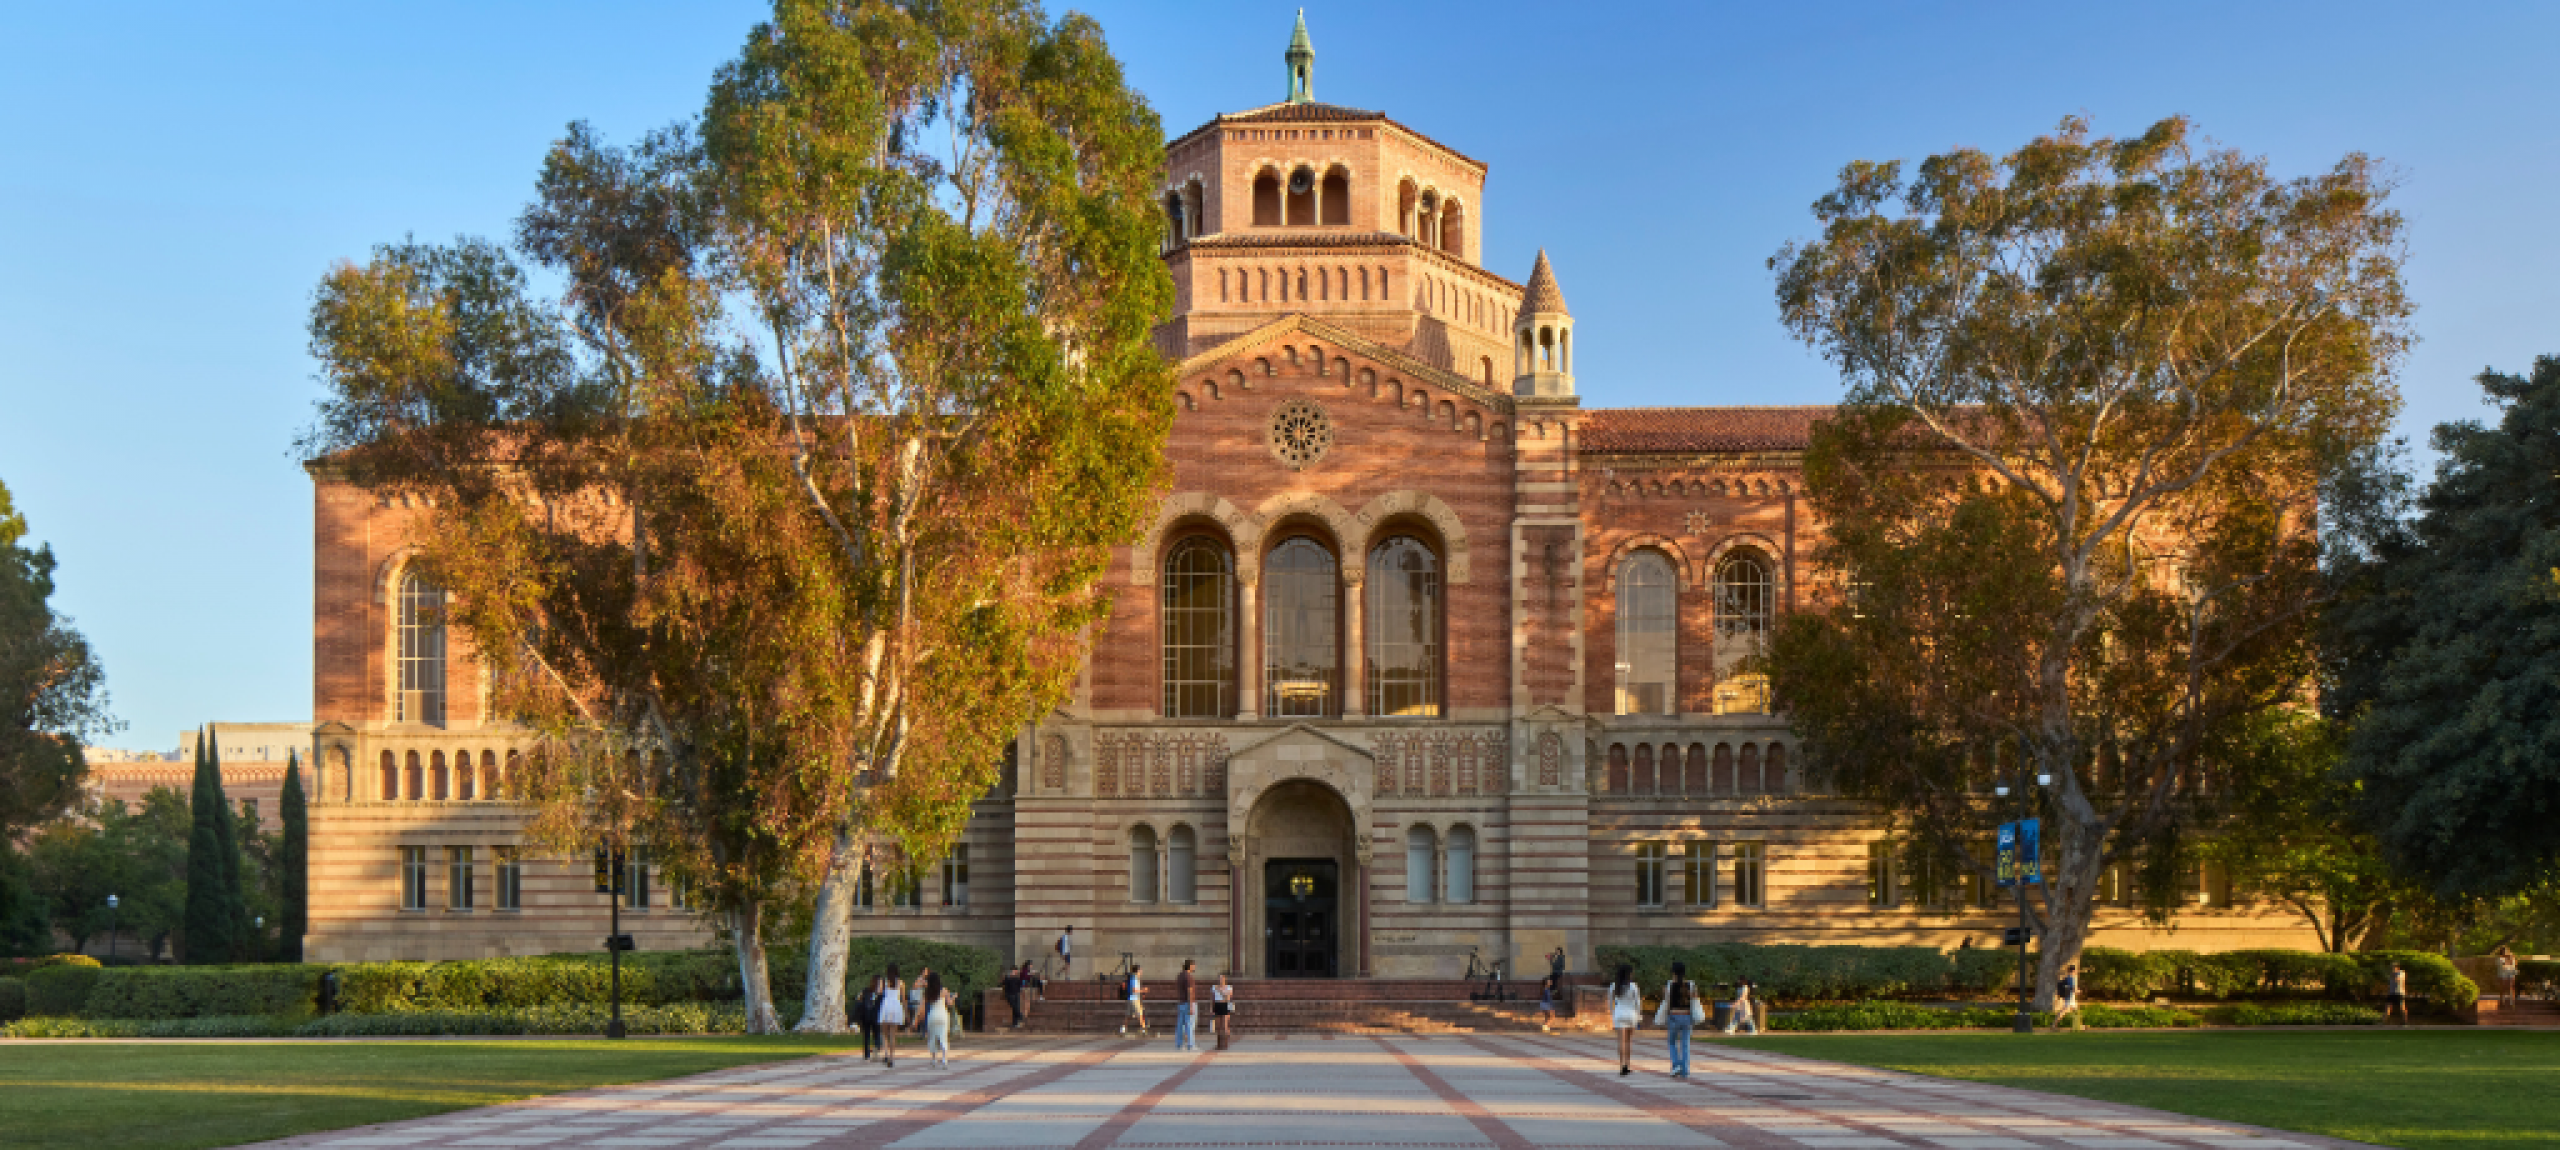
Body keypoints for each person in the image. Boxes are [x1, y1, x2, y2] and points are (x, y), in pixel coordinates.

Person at [1659, 961, 1701, 1079]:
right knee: (1685, 1044)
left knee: (1672, 1042)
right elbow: (1696, 999)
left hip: (1673, 1016)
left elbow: (1666, 1001)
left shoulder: (1669, 985)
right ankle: (1685, 1070)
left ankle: (1676, 1064)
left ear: (1673, 972)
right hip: (1687, 1017)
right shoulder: (1691, 985)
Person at [1607, 962, 1643, 1076]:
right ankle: (1627, 1064)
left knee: (1621, 1041)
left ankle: (1622, 1065)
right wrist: (1639, 1014)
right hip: (1631, 1014)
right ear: (1629, 974)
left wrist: (1613, 1012)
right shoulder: (1633, 986)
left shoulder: (1614, 986)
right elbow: (1638, 1003)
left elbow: (1609, 1003)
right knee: (1628, 1042)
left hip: (1619, 1013)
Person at [922, 971, 954, 1069]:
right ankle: (944, 1059)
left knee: (932, 1038)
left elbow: (923, 1005)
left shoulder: (928, 992)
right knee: (943, 1037)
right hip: (943, 1015)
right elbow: (950, 1003)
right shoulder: (944, 990)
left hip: (932, 1015)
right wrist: (953, 998)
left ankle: (933, 1060)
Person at [876, 964, 907, 1067]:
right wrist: (907, 1013)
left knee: (884, 1033)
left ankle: (886, 1054)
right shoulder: (901, 983)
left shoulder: (884, 981)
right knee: (893, 1034)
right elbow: (903, 999)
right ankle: (892, 1057)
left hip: (886, 1005)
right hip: (896, 1006)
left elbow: (879, 992)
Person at [1173, 960, 1200, 1052]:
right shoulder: (1188, 977)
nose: (1195, 967)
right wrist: (1191, 1005)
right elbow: (1190, 991)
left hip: (1181, 1003)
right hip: (1188, 1003)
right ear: (1190, 966)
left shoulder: (1180, 976)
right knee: (1190, 1024)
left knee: (1180, 1024)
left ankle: (1179, 1044)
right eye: (1194, 965)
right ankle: (1191, 1044)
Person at [2051, 961, 2085, 1032]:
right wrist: (2079, 991)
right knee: (2064, 1011)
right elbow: (2073, 988)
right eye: (2075, 970)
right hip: (2070, 998)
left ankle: (2080, 1026)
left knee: (2076, 1011)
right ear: (2073, 970)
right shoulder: (2071, 978)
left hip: (2071, 998)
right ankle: (2054, 1025)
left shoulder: (2069, 978)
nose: (2076, 971)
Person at [857, 975, 884, 1061]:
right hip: (875, 1016)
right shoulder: (881, 994)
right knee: (876, 1035)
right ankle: (874, 1052)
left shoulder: (866, 991)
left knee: (867, 1035)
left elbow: (858, 999)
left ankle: (866, 1054)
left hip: (866, 1015)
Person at [1120, 963, 1150, 1037]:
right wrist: (1143, 991)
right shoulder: (1134, 979)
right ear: (1137, 971)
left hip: (1131, 999)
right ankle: (1143, 1029)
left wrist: (1141, 991)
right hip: (1134, 999)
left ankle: (1123, 1029)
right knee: (1140, 1014)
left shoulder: (1133, 978)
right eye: (1140, 970)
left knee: (1128, 1015)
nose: (1141, 972)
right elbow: (1134, 990)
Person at [908, 965, 933, 1035]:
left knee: (920, 1015)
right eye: (924, 971)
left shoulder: (925, 979)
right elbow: (915, 986)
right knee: (919, 1014)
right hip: (918, 999)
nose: (925, 973)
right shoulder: (920, 978)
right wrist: (922, 984)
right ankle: (913, 1027)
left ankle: (915, 1027)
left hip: (921, 999)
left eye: (926, 971)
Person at [1211, 973, 1235, 1046]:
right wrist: (1212, 1009)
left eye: (1222, 978)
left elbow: (1229, 998)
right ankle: (1219, 1043)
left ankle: (1225, 1042)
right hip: (1217, 1005)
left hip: (1225, 1005)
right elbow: (1212, 999)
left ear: (1224, 979)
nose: (1220, 980)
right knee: (1218, 1025)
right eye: (1219, 978)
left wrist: (1221, 991)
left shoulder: (1229, 987)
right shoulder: (1214, 987)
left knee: (1225, 1025)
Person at [1004, 962, 1028, 1029]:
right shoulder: (1008, 976)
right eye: (1016, 970)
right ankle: (1020, 1016)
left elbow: (1020, 985)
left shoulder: (1017, 977)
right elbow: (1005, 983)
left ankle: (1015, 1023)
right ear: (1013, 970)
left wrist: (1021, 991)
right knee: (1014, 1007)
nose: (1017, 971)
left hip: (1016, 994)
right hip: (1010, 994)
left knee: (1016, 1008)